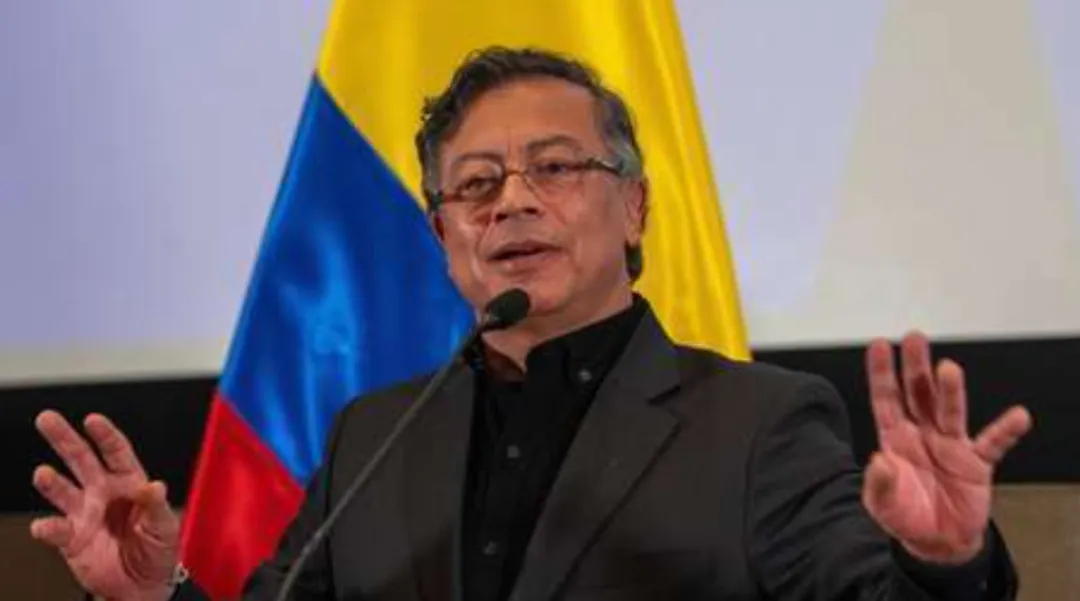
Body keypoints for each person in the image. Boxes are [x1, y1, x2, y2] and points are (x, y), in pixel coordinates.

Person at [31, 47, 1033, 601]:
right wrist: (152, 594)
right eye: (475, 184)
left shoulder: (760, 423)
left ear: (634, 207)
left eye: (555, 167)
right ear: (443, 236)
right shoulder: (373, 437)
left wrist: (944, 564)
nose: (511, 200)